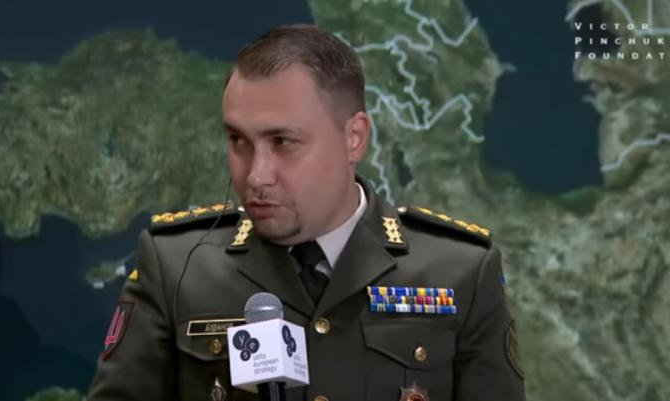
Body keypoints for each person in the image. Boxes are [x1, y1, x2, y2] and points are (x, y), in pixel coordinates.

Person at [87, 24, 525, 401]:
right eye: (238, 140)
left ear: (354, 138)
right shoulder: (176, 267)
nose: (256, 175)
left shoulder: (460, 272)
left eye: (283, 142)